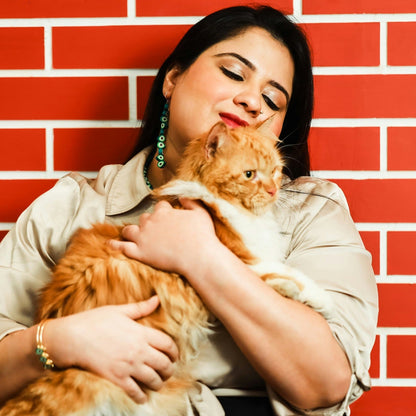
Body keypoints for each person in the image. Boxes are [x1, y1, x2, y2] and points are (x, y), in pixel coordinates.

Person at [0, 5, 378, 416]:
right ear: (173, 79)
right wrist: (56, 343)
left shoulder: (310, 212)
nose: (252, 100)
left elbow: (326, 383)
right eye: (234, 73)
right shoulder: (71, 207)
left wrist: (203, 256)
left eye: (272, 99)